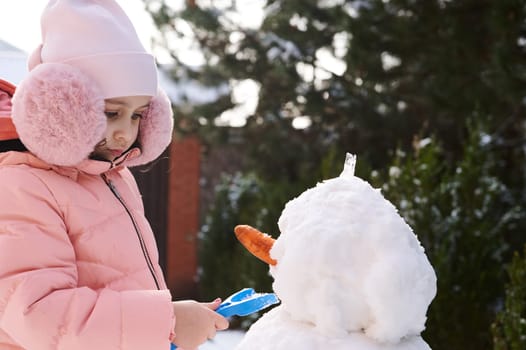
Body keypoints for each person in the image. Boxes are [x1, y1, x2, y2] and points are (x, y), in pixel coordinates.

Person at [0, 1, 228, 349]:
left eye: (137, 115)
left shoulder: (112, 175)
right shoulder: (22, 185)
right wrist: (166, 321)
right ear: (60, 104)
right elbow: (38, 313)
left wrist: (173, 319)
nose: (125, 133)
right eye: (111, 112)